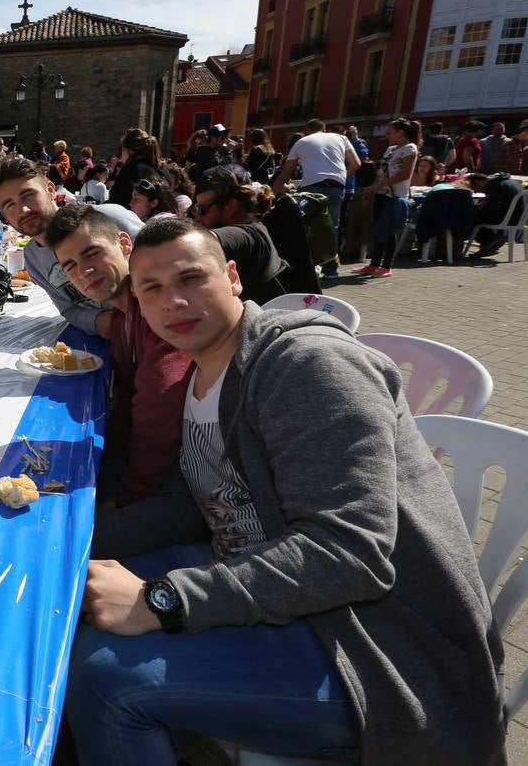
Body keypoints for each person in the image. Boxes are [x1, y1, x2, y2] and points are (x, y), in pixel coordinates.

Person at [69, 217, 504, 766]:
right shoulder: (202, 373)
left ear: (233, 277)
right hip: (276, 582)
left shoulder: (307, 366)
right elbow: (189, 504)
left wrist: (165, 600)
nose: (173, 302)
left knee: (105, 677)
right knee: (79, 590)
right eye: (152, 288)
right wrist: (69, 536)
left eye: (191, 278)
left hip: (375, 645)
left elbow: (351, 555)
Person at [45, 205, 191, 506]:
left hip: (184, 479)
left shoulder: (156, 311)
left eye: (92, 253)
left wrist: (125, 498)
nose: (84, 271)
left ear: (124, 244)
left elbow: (158, 417)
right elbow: (127, 401)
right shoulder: (121, 318)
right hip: (148, 463)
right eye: (70, 265)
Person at [0, 158, 143, 338]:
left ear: (50, 190)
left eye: (28, 195)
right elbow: (68, 310)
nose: (23, 210)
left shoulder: (106, 218)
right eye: (10, 204)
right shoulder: (32, 257)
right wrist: (99, 322)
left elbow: (169, 264)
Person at [272, 119, 358, 278]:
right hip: (336, 186)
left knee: (307, 226)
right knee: (332, 227)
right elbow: (356, 163)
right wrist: (340, 177)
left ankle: (308, 266)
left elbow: (285, 174)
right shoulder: (341, 138)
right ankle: (331, 270)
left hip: (311, 187)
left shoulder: (302, 142)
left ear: (306, 129)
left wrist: (277, 190)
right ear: (324, 129)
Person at [191, 170, 291, 305]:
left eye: (202, 209)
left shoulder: (246, 236)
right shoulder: (257, 230)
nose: (197, 217)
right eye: (195, 209)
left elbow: (195, 241)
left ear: (231, 206)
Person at [357, 117, 419, 277]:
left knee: (389, 230)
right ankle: (374, 264)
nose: (387, 135)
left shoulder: (410, 149)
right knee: (378, 229)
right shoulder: (390, 149)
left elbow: (404, 174)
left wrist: (376, 186)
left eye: (390, 132)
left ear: (401, 132)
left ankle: (387, 266)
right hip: (381, 194)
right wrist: (372, 189)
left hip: (395, 196)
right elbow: (381, 172)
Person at [109, 128, 163, 207]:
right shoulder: (153, 167)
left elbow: (115, 202)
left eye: (121, 150)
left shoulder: (131, 168)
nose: (120, 156)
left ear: (129, 150)